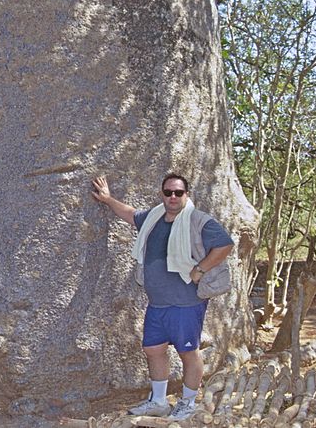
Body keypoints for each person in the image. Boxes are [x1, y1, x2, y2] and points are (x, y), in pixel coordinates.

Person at [91, 173, 234, 421]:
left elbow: (225, 244)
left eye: (178, 192)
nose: (173, 197)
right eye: (168, 192)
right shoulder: (154, 218)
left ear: (186, 194)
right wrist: (107, 199)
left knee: (188, 352)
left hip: (186, 302)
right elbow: (130, 214)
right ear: (162, 194)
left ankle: (188, 403)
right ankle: (158, 401)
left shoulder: (198, 221)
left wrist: (200, 269)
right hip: (157, 303)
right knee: (153, 348)